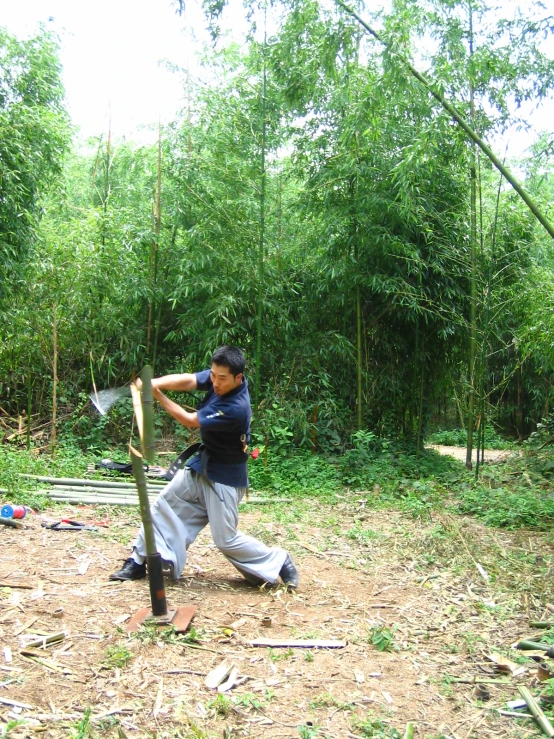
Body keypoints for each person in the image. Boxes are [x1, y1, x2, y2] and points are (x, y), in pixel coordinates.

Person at [109, 346, 299, 589]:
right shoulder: (218, 377)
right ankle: (138, 561)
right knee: (161, 506)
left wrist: (157, 395)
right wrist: (153, 381)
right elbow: (188, 380)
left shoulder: (236, 406)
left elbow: (190, 421)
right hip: (201, 467)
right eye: (213, 375)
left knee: (226, 539)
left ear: (238, 378)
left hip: (225, 477)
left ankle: (280, 561)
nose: (215, 383)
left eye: (222, 379)